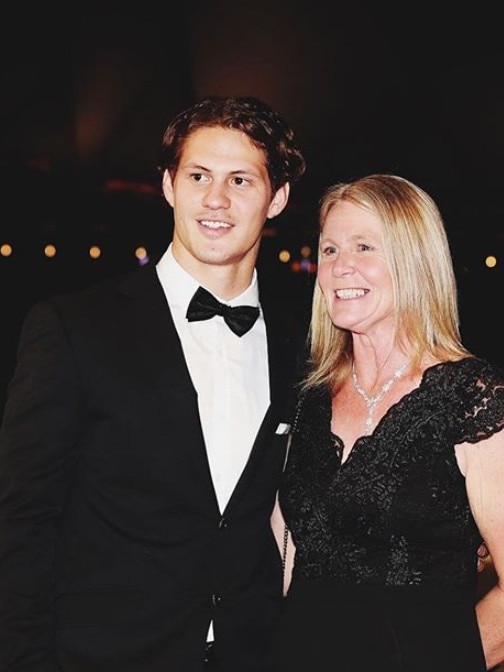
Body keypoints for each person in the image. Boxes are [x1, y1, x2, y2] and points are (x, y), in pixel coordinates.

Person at [0, 96, 307, 672]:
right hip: (101, 656)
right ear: (169, 185)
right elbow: (21, 524)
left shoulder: (304, 348)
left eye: (241, 180)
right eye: (198, 176)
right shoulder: (72, 328)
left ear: (278, 198)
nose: (216, 199)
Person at [271, 174, 504, 671]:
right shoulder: (309, 397)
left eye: (364, 247)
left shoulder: (469, 397)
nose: (340, 267)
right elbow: (291, 559)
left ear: (414, 262)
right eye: (330, 250)